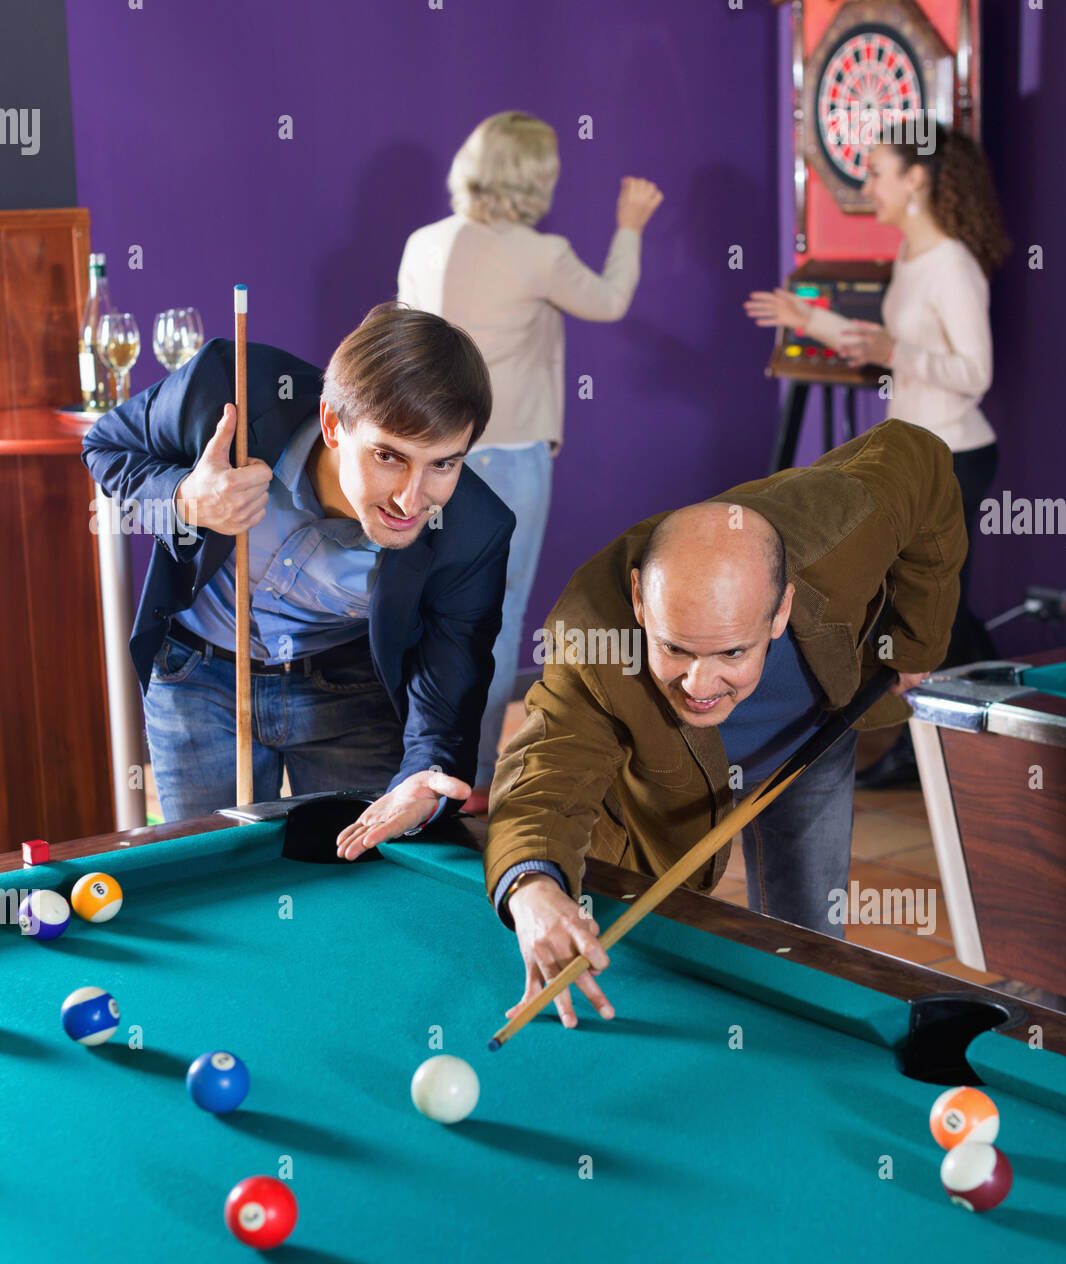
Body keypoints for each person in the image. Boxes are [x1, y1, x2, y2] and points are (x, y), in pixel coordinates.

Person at [484, 419, 966, 1028]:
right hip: (663, 796)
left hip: (810, 738)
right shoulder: (595, 637)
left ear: (782, 608)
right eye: (676, 649)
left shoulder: (845, 523)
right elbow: (545, 771)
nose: (698, 686)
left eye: (731, 654)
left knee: (810, 942)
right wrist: (531, 886)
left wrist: (915, 647)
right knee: (643, 967)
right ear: (639, 601)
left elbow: (921, 459)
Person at [81, 303, 513, 852]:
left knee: (355, 877)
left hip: (348, 690)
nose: (412, 499)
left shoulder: (475, 531)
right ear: (333, 423)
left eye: (444, 464)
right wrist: (184, 499)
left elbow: (448, 690)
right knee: (214, 877)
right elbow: (104, 446)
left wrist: (424, 777)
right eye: (388, 456)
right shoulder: (226, 391)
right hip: (198, 678)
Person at [397, 110, 663, 810]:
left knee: (423, 610)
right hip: (507, 461)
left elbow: (402, 341)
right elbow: (610, 301)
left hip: (425, 458)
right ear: (535, 179)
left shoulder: (425, 242)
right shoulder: (539, 254)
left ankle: (413, 769)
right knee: (495, 617)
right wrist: (630, 224)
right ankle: (471, 779)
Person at [744, 124, 1009, 787]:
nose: (868, 188)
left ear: (915, 179)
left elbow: (974, 372)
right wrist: (811, 324)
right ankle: (995, 713)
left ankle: (936, 747)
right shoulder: (916, 257)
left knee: (927, 608)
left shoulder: (951, 262)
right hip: (917, 461)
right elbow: (886, 342)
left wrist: (895, 353)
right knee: (933, 605)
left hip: (953, 457)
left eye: (878, 172)